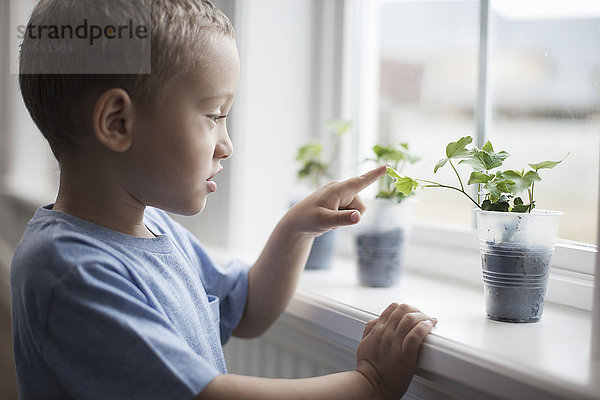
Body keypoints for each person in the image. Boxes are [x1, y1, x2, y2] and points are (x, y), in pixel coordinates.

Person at [11, 0, 436, 399]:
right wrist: (371, 384)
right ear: (117, 122)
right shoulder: (68, 271)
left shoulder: (156, 229)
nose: (226, 145)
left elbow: (247, 308)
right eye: (214, 115)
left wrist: (296, 228)